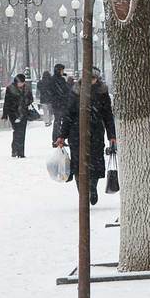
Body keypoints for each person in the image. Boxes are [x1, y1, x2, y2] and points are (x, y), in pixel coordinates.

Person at [56, 67, 116, 205]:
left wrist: (112, 135)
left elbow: (107, 115)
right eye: (89, 79)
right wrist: (62, 136)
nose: (91, 81)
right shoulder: (76, 92)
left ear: (97, 79)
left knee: (95, 163)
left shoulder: (102, 92)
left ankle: (92, 188)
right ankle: (83, 194)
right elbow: (68, 115)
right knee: (78, 165)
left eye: (93, 79)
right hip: (76, 134)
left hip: (96, 133)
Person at [1, 74, 33, 158]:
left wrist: (26, 101)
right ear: (16, 81)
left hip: (23, 113)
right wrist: (5, 114)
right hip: (13, 113)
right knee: (17, 131)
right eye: (20, 82)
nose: (21, 84)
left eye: (23, 82)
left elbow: (31, 99)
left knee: (22, 132)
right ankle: (15, 150)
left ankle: (20, 152)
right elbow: (7, 102)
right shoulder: (10, 89)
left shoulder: (27, 88)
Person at [49, 64, 70, 144]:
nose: (63, 72)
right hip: (58, 104)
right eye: (62, 70)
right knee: (58, 121)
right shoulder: (56, 80)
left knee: (60, 121)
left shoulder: (59, 79)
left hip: (60, 103)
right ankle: (56, 139)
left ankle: (59, 138)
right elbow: (63, 91)